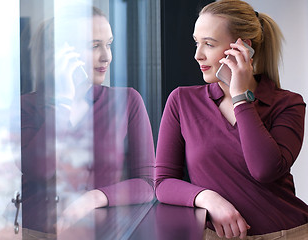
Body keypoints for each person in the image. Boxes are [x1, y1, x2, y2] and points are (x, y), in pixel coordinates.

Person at [155, 0, 308, 239]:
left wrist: (240, 98)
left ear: (242, 48)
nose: (197, 55)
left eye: (209, 44)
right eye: (197, 42)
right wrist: (208, 198)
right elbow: (163, 183)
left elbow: (264, 170)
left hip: (289, 233)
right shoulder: (181, 101)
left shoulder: (288, 103)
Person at [19, 5, 156, 237]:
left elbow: (148, 184)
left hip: (104, 233)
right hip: (36, 234)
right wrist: (63, 103)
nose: (107, 56)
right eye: (94, 46)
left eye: (108, 44)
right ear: (61, 52)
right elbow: (39, 170)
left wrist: (92, 198)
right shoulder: (27, 106)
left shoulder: (127, 100)